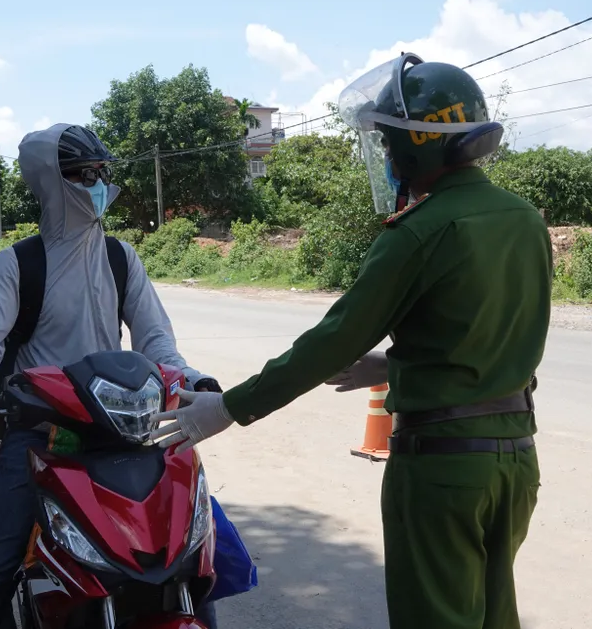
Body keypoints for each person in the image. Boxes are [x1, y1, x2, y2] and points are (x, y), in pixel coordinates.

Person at [151, 54, 553, 629]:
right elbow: (487, 333)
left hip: (442, 471)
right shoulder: (522, 219)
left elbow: (332, 340)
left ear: (419, 145)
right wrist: (394, 364)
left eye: (389, 143)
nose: (387, 157)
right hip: (515, 461)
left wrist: (228, 408)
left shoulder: (419, 231)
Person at [0, 123, 221, 629]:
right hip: (43, 430)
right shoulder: (18, 263)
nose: (96, 183)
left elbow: (156, 342)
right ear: (51, 180)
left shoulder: (120, 257)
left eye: (100, 173)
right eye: (82, 174)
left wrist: (190, 378)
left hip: (122, 425)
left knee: (192, 546)